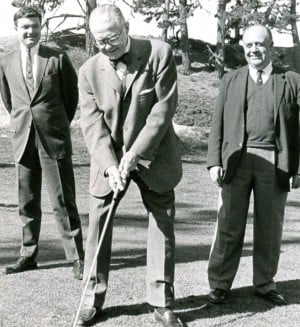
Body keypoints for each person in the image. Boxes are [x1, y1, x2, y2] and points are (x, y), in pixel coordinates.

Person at [76, 4, 183, 327]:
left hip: (153, 156)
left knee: (162, 225)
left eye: (111, 39)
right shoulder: (89, 71)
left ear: (127, 28)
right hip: (109, 160)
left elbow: (162, 111)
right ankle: (92, 298)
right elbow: (92, 126)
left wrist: (134, 155)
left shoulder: (159, 53)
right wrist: (110, 166)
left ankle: (161, 302)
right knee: (97, 225)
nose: (105, 47)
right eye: (99, 42)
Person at [206, 24, 300, 306]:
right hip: (237, 160)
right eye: (249, 45)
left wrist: (298, 168)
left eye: (260, 45)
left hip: (275, 161)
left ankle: (265, 284)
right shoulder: (231, 80)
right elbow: (217, 124)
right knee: (229, 225)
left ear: (271, 47)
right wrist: (214, 162)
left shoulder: (291, 81)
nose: (254, 50)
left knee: (270, 228)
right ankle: (220, 284)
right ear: (243, 48)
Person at [0, 7, 84, 279]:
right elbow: (10, 102)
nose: (30, 31)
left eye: (34, 26)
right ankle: (28, 254)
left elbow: (71, 99)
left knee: (62, 200)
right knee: (27, 199)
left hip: (53, 138)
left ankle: (76, 257)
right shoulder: (6, 61)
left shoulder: (58, 58)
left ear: (41, 26)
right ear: (17, 28)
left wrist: (54, 124)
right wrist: (23, 123)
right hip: (22, 138)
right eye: (25, 27)